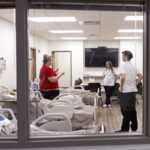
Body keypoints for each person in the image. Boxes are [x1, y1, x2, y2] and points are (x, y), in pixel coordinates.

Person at [116, 50, 143, 132]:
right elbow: (141, 76)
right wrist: (135, 84)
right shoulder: (133, 66)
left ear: (126, 57)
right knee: (131, 108)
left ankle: (125, 129)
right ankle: (134, 126)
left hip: (126, 91)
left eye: (123, 55)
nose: (122, 57)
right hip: (133, 91)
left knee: (124, 110)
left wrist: (121, 87)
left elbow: (123, 77)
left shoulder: (123, 65)